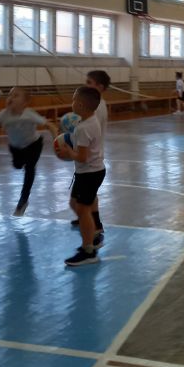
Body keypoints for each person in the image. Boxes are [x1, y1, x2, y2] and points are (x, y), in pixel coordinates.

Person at [0, 87, 57, 216]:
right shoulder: (4, 114)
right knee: (17, 165)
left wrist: (56, 140)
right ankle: (22, 166)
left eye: (16, 95)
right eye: (10, 95)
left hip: (34, 145)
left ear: (25, 102)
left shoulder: (29, 114)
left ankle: (23, 200)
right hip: (16, 148)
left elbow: (49, 125)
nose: (11, 97)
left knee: (30, 168)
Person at [59, 86, 106, 267]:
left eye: (73, 100)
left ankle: (89, 251)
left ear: (80, 105)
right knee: (75, 204)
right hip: (90, 172)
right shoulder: (90, 120)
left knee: (82, 210)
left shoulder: (84, 128)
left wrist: (68, 152)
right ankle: (94, 232)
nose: (71, 103)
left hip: (89, 173)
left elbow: (82, 157)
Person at [73, 70, 111, 246]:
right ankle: (92, 223)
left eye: (89, 82)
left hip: (90, 162)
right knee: (86, 200)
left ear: (100, 87)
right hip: (91, 161)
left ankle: (92, 233)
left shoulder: (97, 109)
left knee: (83, 203)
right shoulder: (98, 106)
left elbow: (86, 132)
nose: (85, 85)